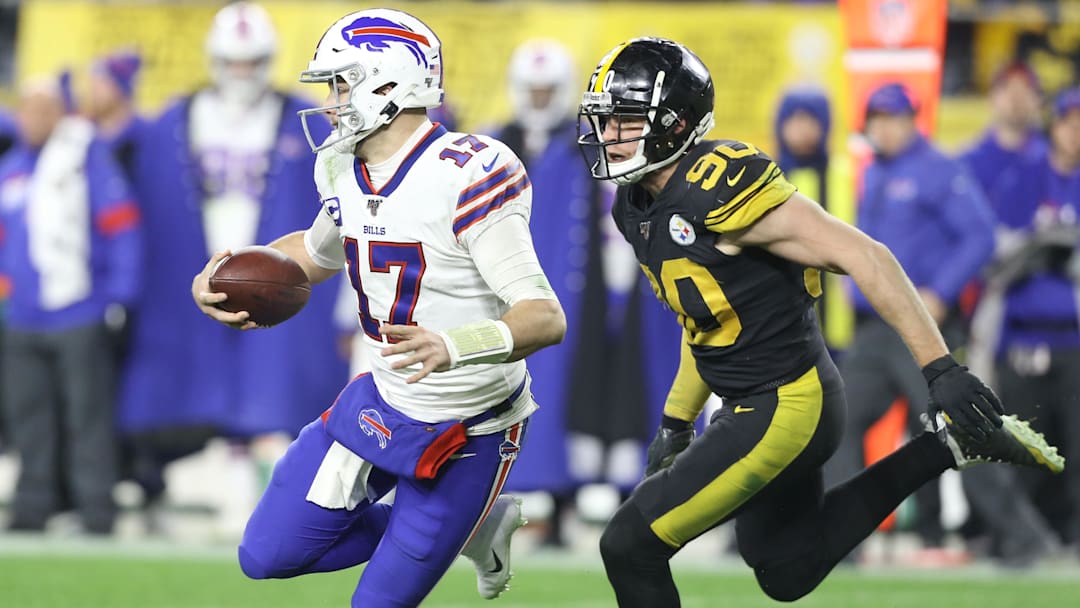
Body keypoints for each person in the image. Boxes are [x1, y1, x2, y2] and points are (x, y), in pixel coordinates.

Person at [575, 37, 1064, 606]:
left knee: (629, 545)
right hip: (755, 402)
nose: (608, 136)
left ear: (676, 124)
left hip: (785, 404)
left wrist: (940, 369)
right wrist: (676, 421)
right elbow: (703, 320)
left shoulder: (719, 187)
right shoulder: (633, 205)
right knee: (786, 568)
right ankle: (947, 447)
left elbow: (868, 256)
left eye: (626, 122)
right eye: (606, 121)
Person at [191, 9, 565, 607]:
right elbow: (314, 255)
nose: (331, 101)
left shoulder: (469, 172)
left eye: (340, 83)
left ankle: (467, 518)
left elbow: (544, 316)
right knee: (264, 556)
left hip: (468, 424)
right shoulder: (342, 165)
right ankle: (475, 527)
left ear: (388, 83)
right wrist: (223, 277)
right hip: (385, 398)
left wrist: (452, 344)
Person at [118, 1, 347, 533]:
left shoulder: (300, 118)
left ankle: (269, 498)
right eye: (234, 62)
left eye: (252, 62)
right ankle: (205, 485)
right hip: (206, 262)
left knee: (275, 388)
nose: (242, 73)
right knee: (194, 386)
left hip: (281, 262)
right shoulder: (179, 119)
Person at [492, 39, 679, 545]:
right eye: (530, 90)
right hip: (526, 287)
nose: (536, 100)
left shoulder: (587, 145)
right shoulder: (497, 145)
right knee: (545, 399)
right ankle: (550, 502)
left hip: (594, 291)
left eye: (546, 91)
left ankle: (616, 503)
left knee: (614, 395)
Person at [830, 82, 995, 559]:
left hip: (920, 326)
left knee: (958, 426)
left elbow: (980, 236)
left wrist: (940, 292)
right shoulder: (875, 173)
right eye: (876, 119)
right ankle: (843, 542)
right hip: (873, 330)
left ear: (911, 120)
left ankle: (1022, 536)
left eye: (893, 118)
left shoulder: (939, 170)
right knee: (838, 421)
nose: (884, 127)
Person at [0, 76, 142, 534]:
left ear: (61, 113)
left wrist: (121, 295)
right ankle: (31, 507)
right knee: (28, 418)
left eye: (45, 109)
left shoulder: (86, 160)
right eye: (28, 109)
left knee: (88, 417)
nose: (35, 119)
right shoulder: (12, 168)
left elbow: (121, 226)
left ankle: (96, 509)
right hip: (21, 314)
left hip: (79, 309)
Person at [974, 86, 1080, 551]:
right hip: (1022, 339)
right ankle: (1018, 536)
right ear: (1053, 126)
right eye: (1069, 121)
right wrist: (1038, 248)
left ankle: (1070, 534)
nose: (1076, 131)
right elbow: (994, 257)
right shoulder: (1023, 177)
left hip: (1073, 339)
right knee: (1025, 443)